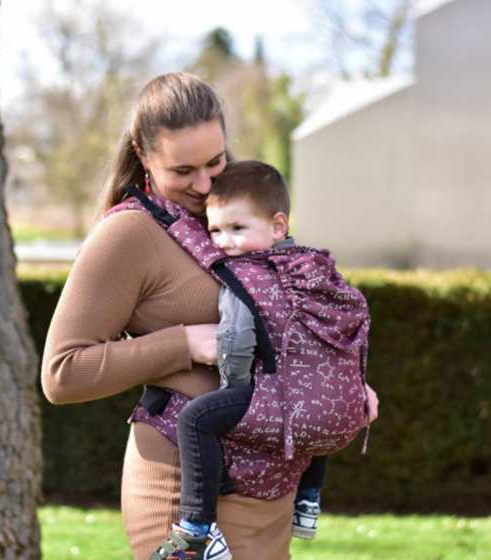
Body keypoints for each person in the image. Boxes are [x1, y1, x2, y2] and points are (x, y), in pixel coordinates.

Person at [41, 73, 298, 560]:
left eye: (215, 162)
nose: (204, 185)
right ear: (143, 155)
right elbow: (61, 373)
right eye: (183, 171)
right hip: (185, 490)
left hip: (266, 483)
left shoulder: (240, 214)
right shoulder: (129, 235)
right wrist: (184, 343)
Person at [148, 160, 368, 559]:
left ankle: (195, 530)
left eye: (237, 229)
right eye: (215, 231)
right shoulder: (317, 267)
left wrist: (233, 390)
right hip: (339, 414)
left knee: (197, 418)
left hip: (285, 404)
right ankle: (308, 502)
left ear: (277, 226)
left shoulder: (243, 277)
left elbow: (235, 341)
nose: (224, 242)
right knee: (315, 405)